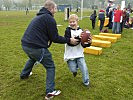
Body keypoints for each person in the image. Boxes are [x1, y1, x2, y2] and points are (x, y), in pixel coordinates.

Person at [20, 0, 78, 100]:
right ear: (51, 8)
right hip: (35, 47)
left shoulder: (39, 16)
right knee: (50, 66)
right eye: (55, 8)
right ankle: (50, 92)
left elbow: (48, 35)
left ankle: (24, 75)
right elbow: (55, 37)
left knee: (33, 58)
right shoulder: (49, 18)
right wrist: (69, 40)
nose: (56, 10)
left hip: (25, 45)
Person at [64, 14, 92, 86]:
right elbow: (70, 43)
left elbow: (84, 44)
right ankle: (75, 70)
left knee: (84, 68)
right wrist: (79, 38)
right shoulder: (67, 31)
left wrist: (89, 43)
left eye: (74, 22)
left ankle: (86, 82)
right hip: (70, 54)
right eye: (70, 22)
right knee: (73, 69)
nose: (72, 23)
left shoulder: (81, 31)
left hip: (79, 53)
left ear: (77, 21)